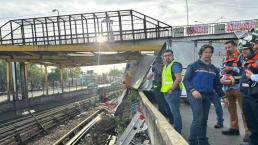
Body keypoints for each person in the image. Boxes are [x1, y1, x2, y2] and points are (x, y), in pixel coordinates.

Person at [183, 44, 224, 145]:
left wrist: (223, 96)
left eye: (210, 52)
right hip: (195, 95)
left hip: (207, 95)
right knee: (198, 118)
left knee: (204, 119)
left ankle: (202, 140)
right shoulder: (193, 66)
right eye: (206, 52)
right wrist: (193, 90)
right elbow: (186, 81)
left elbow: (217, 84)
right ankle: (192, 141)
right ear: (201, 53)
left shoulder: (214, 69)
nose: (208, 54)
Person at [220, 40, 250, 141]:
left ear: (235, 46)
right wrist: (222, 75)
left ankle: (248, 132)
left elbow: (244, 71)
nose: (227, 49)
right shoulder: (225, 57)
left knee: (244, 111)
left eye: (229, 47)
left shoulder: (241, 57)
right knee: (231, 110)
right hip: (227, 88)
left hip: (239, 88)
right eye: (226, 48)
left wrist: (231, 69)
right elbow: (221, 69)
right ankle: (234, 128)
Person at [239, 40, 258, 145]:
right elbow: (243, 78)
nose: (244, 52)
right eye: (242, 50)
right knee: (251, 123)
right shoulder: (246, 62)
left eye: (246, 49)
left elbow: (252, 77)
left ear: (252, 48)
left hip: (256, 97)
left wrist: (254, 77)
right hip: (246, 96)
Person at [161, 49, 183, 133]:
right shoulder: (166, 65)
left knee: (175, 111)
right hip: (167, 92)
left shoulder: (175, 65)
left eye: (169, 55)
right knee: (173, 111)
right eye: (165, 56)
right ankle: (176, 127)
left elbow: (178, 79)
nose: (167, 57)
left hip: (173, 92)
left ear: (172, 56)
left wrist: (171, 89)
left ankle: (178, 130)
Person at [152, 56, 174, 124]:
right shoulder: (163, 66)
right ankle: (169, 119)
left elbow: (158, 73)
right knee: (164, 103)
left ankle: (167, 119)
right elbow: (151, 76)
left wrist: (155, 67)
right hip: (159, 86)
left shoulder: (161, 67)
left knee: (163, 104)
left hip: (161, 86)